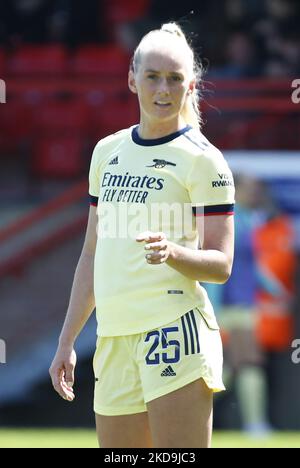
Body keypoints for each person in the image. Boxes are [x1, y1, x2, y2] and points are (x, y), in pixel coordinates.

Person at [49, 22, 235, 448]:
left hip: (174, 331)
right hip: (112, 338)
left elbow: (221, 265)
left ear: (190, 86)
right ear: (132, 78)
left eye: (174, 79)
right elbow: (92, 254)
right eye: (152, 76)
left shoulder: (204, 161)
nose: (163, 89)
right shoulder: (106, 152)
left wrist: (172, 252)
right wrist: (67, 340)